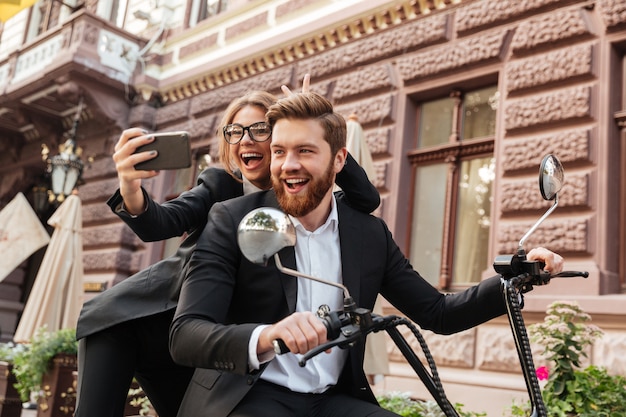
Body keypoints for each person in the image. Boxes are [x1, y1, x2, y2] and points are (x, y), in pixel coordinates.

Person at [169, 91, 564, 417]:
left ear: (339, 160)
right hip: (248, 396)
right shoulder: (234, 219)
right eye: (279, 151)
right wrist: (268, 335)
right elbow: (186, 335)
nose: (288, 165)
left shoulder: (367, 234)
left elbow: (438, 313)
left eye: (305, 151)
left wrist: (515, 279)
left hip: (329, 400)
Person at [74, 86, 380, 417]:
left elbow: (367, 199)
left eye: (259, 129)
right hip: (138, 321)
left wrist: (315, 126)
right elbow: (160, 224)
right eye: (234, 132)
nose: (245, 140)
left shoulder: (305, 200)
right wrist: (131, 188)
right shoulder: (220, 186)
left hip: (210, 343)